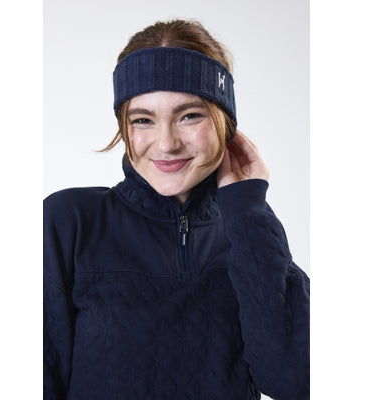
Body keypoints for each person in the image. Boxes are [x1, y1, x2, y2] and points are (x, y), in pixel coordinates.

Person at [44, 19, 310, 400]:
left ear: (225, 123)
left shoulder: (251, 233)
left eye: (189, 116)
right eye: (143, 120)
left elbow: (297, 381)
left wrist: (248, 209)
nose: (166, 143)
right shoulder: (68, 222)